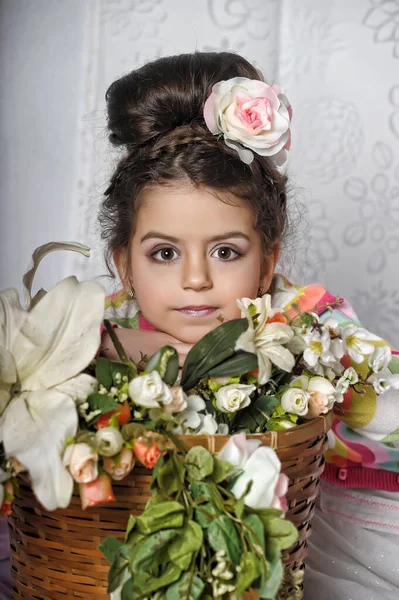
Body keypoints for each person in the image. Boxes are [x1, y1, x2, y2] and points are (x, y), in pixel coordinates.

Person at [98, 52, 399, 600]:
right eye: (164, 252)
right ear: (125, 264)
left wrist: (301, 364)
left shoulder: (307, 321)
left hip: (325, 530)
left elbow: (390, 393)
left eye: (225, 251)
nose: (195, 279)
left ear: (266, 261)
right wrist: (116, 348)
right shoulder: (105, 324)